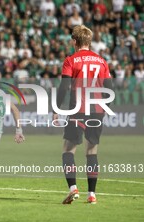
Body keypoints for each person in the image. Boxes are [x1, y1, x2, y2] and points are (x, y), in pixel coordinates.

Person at [53, 25, 113, 204]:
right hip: (97, 110)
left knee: (68, 149)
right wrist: (105, 108)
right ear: (89, 41)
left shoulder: (71, 60)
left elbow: (64, 86)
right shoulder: (102, 61)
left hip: (78, 109)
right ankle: (92, 194)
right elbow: (109, 89)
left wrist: (56, 108)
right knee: (92, 150)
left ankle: (73, 188)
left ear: (75, 41)